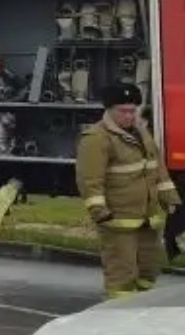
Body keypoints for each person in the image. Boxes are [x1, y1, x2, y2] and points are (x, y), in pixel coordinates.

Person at [76, 81, 181, 299]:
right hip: (118, 222)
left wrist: (170, 198)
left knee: (148, 271)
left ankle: (141, 309)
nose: (129, 116)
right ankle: (119, 314)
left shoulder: (142, 134)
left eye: (133, 110)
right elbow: (90, 180)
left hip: (148, 219)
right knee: (122, 276)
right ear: (109, 110)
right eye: (123, 111)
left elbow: (158, 169)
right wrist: (100, 212)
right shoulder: (96, 138)